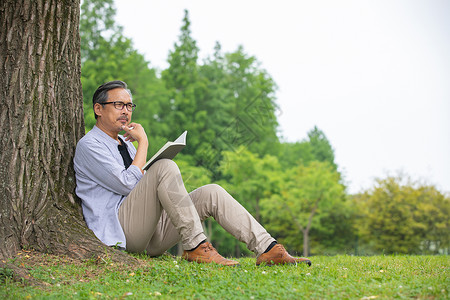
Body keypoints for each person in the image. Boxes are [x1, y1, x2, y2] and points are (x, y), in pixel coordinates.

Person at [74, 80, 311, 267]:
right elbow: (127, 185)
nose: (125, 111)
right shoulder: (90, 145)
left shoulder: (126, 144)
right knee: (164, 167)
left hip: (150, 235)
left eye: (129, 106)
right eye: (118, 105)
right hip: (121, 232)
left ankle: (269, 249)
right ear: (98, 109)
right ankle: (196, 246)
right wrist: (144, 144)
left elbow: (141, 186)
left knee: (212, 193)